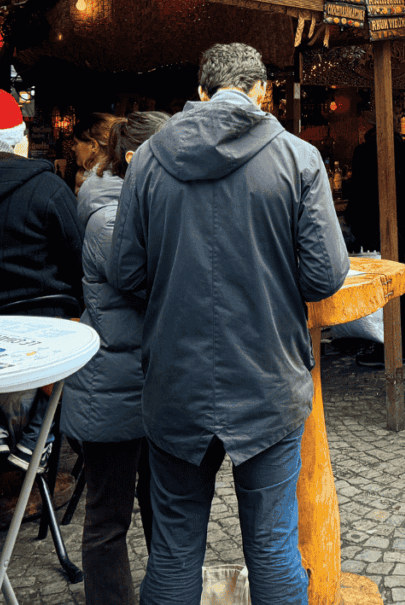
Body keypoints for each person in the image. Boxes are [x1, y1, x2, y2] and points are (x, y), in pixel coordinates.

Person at [110, 43, 349, 605]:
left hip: (175, 382)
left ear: (201, 93)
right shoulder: (297, 157)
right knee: (272, 549)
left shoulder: (146, 159)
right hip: (266, 380)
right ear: (261, 91)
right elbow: (324, 276)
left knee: (172, 554)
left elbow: (126, 271)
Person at [60, 111, 170, 605]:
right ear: (136, 159)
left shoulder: (142, 205)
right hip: (112, 386)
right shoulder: (108, 219)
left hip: (144, 380)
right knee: (108, 517)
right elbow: (155, 287)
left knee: (160, 505)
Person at [0, 88, 83, 471]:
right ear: (22, 141)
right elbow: (77, 261)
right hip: (45, 331)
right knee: (83, 338)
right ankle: (38, 435)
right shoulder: (49, 189)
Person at [344, 117, 405, 367]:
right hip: (398, 230)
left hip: (373, 231)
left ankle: (388, 345)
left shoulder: (364, 153)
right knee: (397, 289)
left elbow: (357, 194)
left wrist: (354, 226)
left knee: (382, 290)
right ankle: (404, 343)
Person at [72, 112, 117, 194]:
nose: (73, 148)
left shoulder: (100, 184)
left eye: (76, 143)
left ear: (93, 146)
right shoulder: (113, 175)